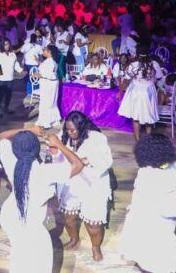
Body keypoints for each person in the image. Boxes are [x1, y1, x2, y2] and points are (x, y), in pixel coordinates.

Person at [0, 124, 84, 273]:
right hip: (32, 226)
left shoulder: (12, 163)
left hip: (10, 217)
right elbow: (78, 165)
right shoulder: (45, 172)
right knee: (39, 263)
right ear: (37, 149)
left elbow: (2, 137)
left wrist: (28, 130)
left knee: (19, 254)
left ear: (15, 150)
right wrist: (59, 144)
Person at [119, 134, 176, 273]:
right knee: (159, 262)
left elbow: (172, 168)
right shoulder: (154, 180)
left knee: (143, 253)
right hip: (154, 228)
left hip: (143, 219)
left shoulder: (149, 167)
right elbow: (169, 207)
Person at [58, 111, 113, 262]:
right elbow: (58, 154)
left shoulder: (97, 138)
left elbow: (107, 161)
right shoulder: (63, 136)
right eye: (67, 129)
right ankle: (74, 238)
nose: (69, 133)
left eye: (73, 130)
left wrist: (86, 160)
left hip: (93, 183)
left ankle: (95, 247)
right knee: (69, 217)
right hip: (72, 182)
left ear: (82, 127)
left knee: (93, 224)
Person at [117, 47, 163, 140]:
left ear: (137, 54)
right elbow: (159, 77)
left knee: (136, 116)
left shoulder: (133, 65)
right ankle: (148, 140)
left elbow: (126, 80)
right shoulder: (154, 64)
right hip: (149, 90)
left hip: (136, 91)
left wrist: (120, 92)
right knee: (149, 115)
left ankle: (138, 140)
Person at [0, 39, 23, 114]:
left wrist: (20, 70)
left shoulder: (12, 54)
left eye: (8, 44)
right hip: (1, 79)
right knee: (0, 96)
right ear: (2, 45)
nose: (7, 46)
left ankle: (6, 108)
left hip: (10, 78)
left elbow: (15, 64)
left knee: (9, 95)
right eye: (5, 44)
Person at [34, 45, 61, 128]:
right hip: (52, 83)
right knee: (52, 102)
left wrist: (37, 75)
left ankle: (46, 122)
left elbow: (48, 74)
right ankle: (53, 121)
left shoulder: (49, 62)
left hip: (48, 83)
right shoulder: (52, 61)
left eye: (45, 49)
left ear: (49, 52)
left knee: (46, 102)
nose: (43, 51)